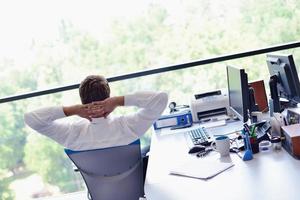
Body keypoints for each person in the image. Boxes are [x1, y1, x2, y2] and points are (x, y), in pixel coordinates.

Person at [24, 75, 168, 151]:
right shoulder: (128, 127)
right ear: (109, 97)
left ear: (82, 101)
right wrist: (118, 101)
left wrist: (72, 110)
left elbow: (31, 119)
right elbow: (161, 99)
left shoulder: (72, 135)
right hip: (133, 190)